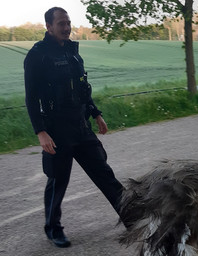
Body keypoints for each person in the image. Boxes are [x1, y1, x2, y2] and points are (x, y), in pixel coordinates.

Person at [24, 7, 124, 248]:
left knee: (104, 173)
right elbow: (31, 98)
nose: (66, 28)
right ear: (49, 26)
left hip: (81, 125)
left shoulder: (73, 53)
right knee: (58, 181)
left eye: (68, 23)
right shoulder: (37, 56)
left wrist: (96, 113)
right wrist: (40, 131)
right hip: (56, 130)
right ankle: (53, 228)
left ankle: (133, 215)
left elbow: (82, 88)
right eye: (61, 24)